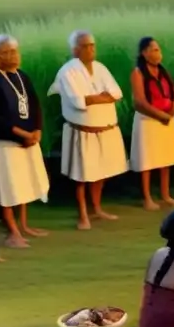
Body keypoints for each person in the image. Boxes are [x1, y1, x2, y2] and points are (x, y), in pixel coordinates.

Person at [48, 31, 128, 230]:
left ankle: (97, 208)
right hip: (82, 132)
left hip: (105, 129)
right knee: (82, 175)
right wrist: (100, 97)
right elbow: (78, 101)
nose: (91, 49)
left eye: (92, 45)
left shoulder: (100, 68)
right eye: (85, 46)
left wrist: (94, 98)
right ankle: (83, 214)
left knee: (101, 172)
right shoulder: (68, 71)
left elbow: (117, 93)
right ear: (75, 50)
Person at [0, 35, 49, 249]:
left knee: (25, 184)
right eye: (7, 52)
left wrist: (36, 130)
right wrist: (22, 134)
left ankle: (24, 225)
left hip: (28, 141)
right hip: (5, 144)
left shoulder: (22, 76)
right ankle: (12, 231)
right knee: (10, 188)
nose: (13, 56)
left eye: (15, 51)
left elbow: (35, 105)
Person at [129, 37, 174, 211]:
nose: (158, 53)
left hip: (166, 119)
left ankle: (165, 194)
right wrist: (159, 115)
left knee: (165, 157)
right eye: (153, 50)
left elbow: (173, 93)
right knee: (147, 159)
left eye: (158, 50)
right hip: (148, 120)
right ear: (144, 53)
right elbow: (139, 101)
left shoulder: (163, 71)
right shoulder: (138, 73)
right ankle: (147, 197)